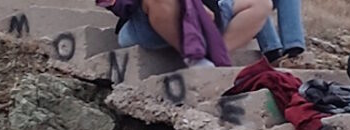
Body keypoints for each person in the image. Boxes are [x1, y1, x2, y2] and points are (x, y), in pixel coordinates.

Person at [98, 0, 273, 65]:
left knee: (261, 4)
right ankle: (195, 60)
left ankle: (213, 56)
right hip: (149, 21)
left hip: (206, 15)